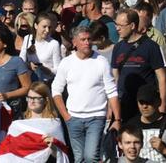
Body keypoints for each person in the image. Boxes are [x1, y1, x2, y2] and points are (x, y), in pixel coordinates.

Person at [51, 26, 121, 163]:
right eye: (83, 39)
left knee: (91, 157)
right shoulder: (67, 63)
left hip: (96, 117)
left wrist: (117, 119)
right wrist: (66, 116)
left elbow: (112, 91)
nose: (87, 43)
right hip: (73, 118)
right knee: (79, 158)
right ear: (74, 42)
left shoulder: (101, 61)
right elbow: (56, 91)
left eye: (89, 39)